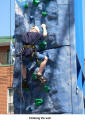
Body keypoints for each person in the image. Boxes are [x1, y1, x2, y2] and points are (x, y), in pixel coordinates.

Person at [21, 24, 48, 88]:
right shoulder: (36, 34)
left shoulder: (25, 34)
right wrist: (44, 27)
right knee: (45, 58)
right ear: (36, 30)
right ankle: (39, 74)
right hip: (31, 52)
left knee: (23, 65)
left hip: (24, 52)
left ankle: (24, 80)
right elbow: (45, 35)